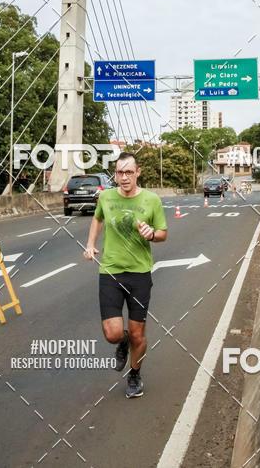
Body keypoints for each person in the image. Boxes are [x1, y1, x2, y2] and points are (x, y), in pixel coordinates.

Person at [83, 151, 167, 398]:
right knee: (112, 333)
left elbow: (163, 233)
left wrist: (151, 233)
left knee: (139, 333)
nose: (124, 177)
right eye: (119, 172)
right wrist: (90, 244)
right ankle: (123, 341)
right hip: (110, 272)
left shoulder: (152, 200)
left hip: (139, 275)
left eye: (129, 172)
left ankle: (134, 374)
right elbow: (97, 219)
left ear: (138, 173)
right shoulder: (106, 197)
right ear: (116, 174)